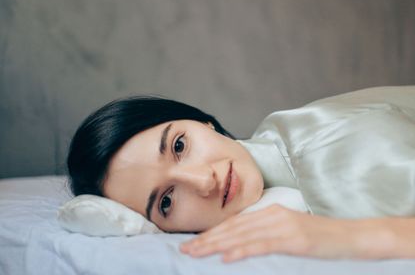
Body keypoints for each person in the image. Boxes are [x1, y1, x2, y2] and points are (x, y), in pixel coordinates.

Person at [67, 86, 415, 262]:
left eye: (178, 146)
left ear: (203, 122)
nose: (204, 182)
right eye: (167, 201)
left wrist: (349, 236)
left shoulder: (327, 150)